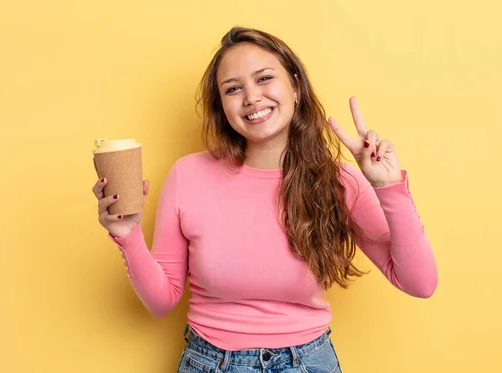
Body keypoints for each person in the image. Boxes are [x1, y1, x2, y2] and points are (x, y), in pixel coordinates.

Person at [92, 26, 438, 373]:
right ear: (222, 106)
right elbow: (161, 301)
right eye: (233, 89)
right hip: (211, 363)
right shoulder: (188, 175)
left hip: (309, 363)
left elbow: (420, 283)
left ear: (295, 86)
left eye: (264, 78)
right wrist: (128, 235)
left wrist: (390, 188)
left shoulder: (338, 181)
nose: (252, 97)